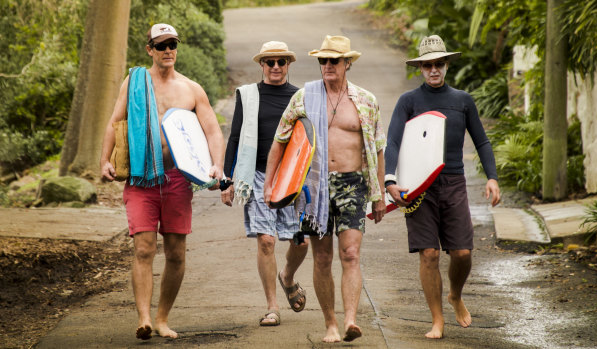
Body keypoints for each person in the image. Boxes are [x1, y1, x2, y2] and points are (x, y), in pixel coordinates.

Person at [100, 23, 225, 340]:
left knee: (175, 254)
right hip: (142, 178)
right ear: (149, 50)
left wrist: (217, 166)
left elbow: (212, 130)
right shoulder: (135, 82)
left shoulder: (191, 89)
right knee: (143, 249)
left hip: (176, 179)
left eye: (172, 44)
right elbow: (115, 122)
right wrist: (104, 160)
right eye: (161, 45)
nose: (168, 49)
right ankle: (143, 318)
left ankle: (162, 317)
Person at [263, 35, 387, 343]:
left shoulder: (366, 101)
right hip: (313, 188)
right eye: (323, 60)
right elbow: (280, 142)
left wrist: (380, 194)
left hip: (353, 184)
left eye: (334, 60)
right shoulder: (305, 97)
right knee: (321, 258)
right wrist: (270, 185)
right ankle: (330, 323)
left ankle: (350, 321)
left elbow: (379, 149)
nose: (328, 65)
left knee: (351, 253)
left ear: (347, 63)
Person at [384, 35, 501, 339]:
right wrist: (390, 178)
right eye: (428, 65)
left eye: (439, 64)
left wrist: (492, 177)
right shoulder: (408, 101)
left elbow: (482, 141)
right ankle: (437, 320)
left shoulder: (462, 101)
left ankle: (455, 294)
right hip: (419, 185)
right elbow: (393, 141)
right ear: (420, 68)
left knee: (462, 253)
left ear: (447, 65)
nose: (434, 69)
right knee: (429, 254)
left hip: (453, 182)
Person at [220, 41, 309, 326]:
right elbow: (234, 137)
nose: (275, 67)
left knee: (301, 241)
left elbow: (311, 139)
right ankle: (272, 307)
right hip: (257, 175)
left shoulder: (301, 97)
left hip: (294, 177)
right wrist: (226, 179)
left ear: (288, 65)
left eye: (280, 62)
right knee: (267, 240)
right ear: (261, 65)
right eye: (269, 62)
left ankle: (288, 276)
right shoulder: (248, 95)